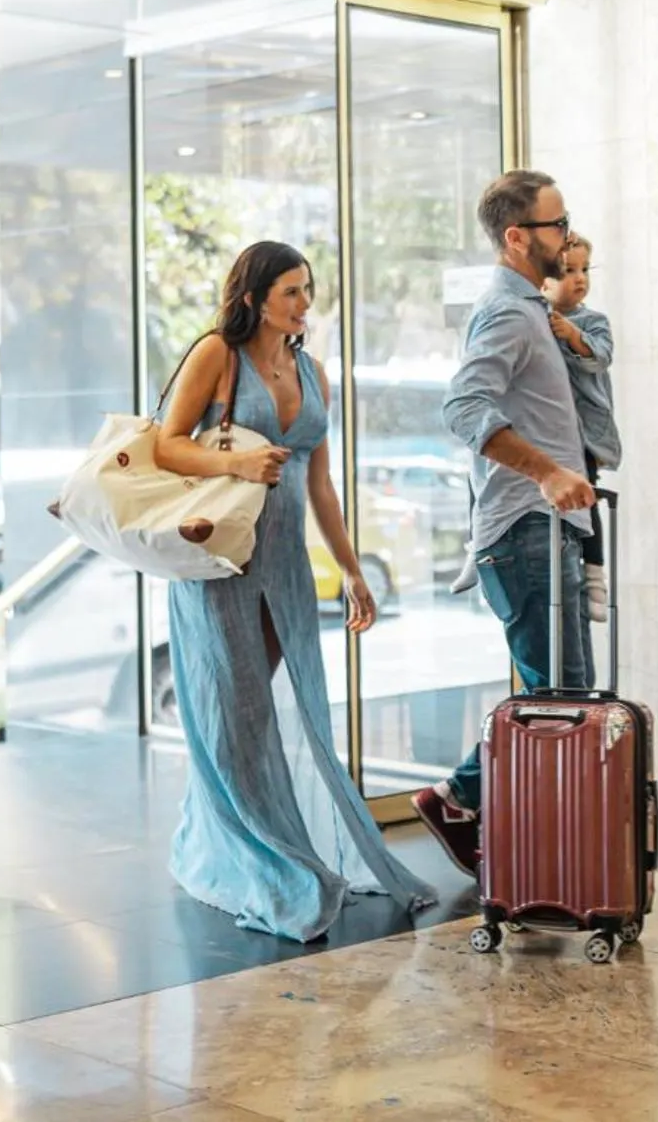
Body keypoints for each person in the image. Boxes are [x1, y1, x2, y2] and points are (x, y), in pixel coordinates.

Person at [153, 240, 437, 940]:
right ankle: (263, 859)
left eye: (308, 289)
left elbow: (319, 481)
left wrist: (351, 567)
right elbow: (165, 444)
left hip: (283, 564)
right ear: (254, 295)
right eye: (290, 290)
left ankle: (211, 837)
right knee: (232, 712)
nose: (304, 302)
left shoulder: (313, 372)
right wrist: (241, 458)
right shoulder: (217, 353)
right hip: (218, 560)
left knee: (265, 713)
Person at [414, 171, 597, 876]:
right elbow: (463, 407)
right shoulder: (508, 313)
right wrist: (546, 471)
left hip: (545, 530)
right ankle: (460, 797)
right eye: (556, 223)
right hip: (524, 529)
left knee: (559, 694)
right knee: (558, 697)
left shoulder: (532, 311)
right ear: (517, 237)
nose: (566, 233)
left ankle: (510, 825)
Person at [543, 232, 620, 625]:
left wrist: (573, 335)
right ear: (544, 280)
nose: (579, 278)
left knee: (586, 501)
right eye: (568, 270)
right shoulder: (535, 317)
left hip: (584, 436)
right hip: (553, 436)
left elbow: (600, 358)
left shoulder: (592, 321)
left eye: (584, 269)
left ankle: (595, 574)